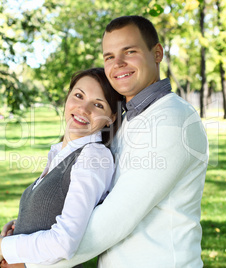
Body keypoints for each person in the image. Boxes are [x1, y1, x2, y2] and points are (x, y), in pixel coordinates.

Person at [12, 15, 209, 268]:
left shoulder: (172, 119)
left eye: (130, 51)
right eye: (109, 56)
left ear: (157, 53)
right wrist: (27, 231)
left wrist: (29, 261)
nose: (118, 64)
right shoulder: (127, 120)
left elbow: (114, 220)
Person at [0, 67, 123, 268]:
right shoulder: (61, 154)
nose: (84, 109)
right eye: (78, 95)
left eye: (98, 104)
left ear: (111, 118)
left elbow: (65, 242)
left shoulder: (93, 156)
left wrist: (4, 247)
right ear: (67, 97)